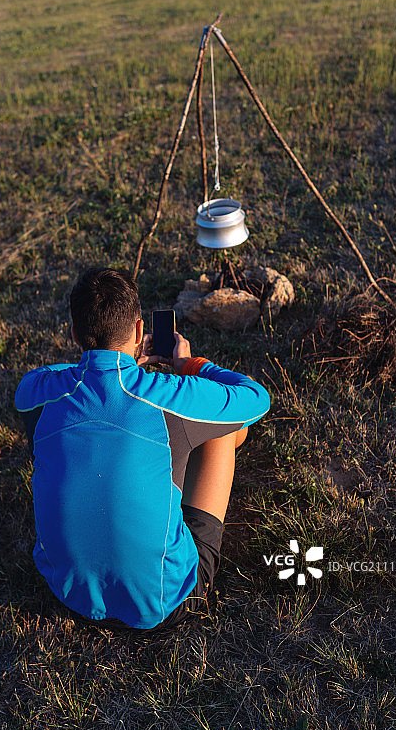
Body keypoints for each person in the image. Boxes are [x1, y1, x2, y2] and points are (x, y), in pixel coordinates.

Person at [15, 267, 270, 632]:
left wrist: (110, 366)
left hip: (68, 593)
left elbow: (43, 378)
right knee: (226, 432)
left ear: (74, 333)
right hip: (165, 603)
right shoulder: (165, 396)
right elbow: (257, 400)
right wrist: (190, 365)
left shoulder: (34, 396)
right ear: (138, 331)